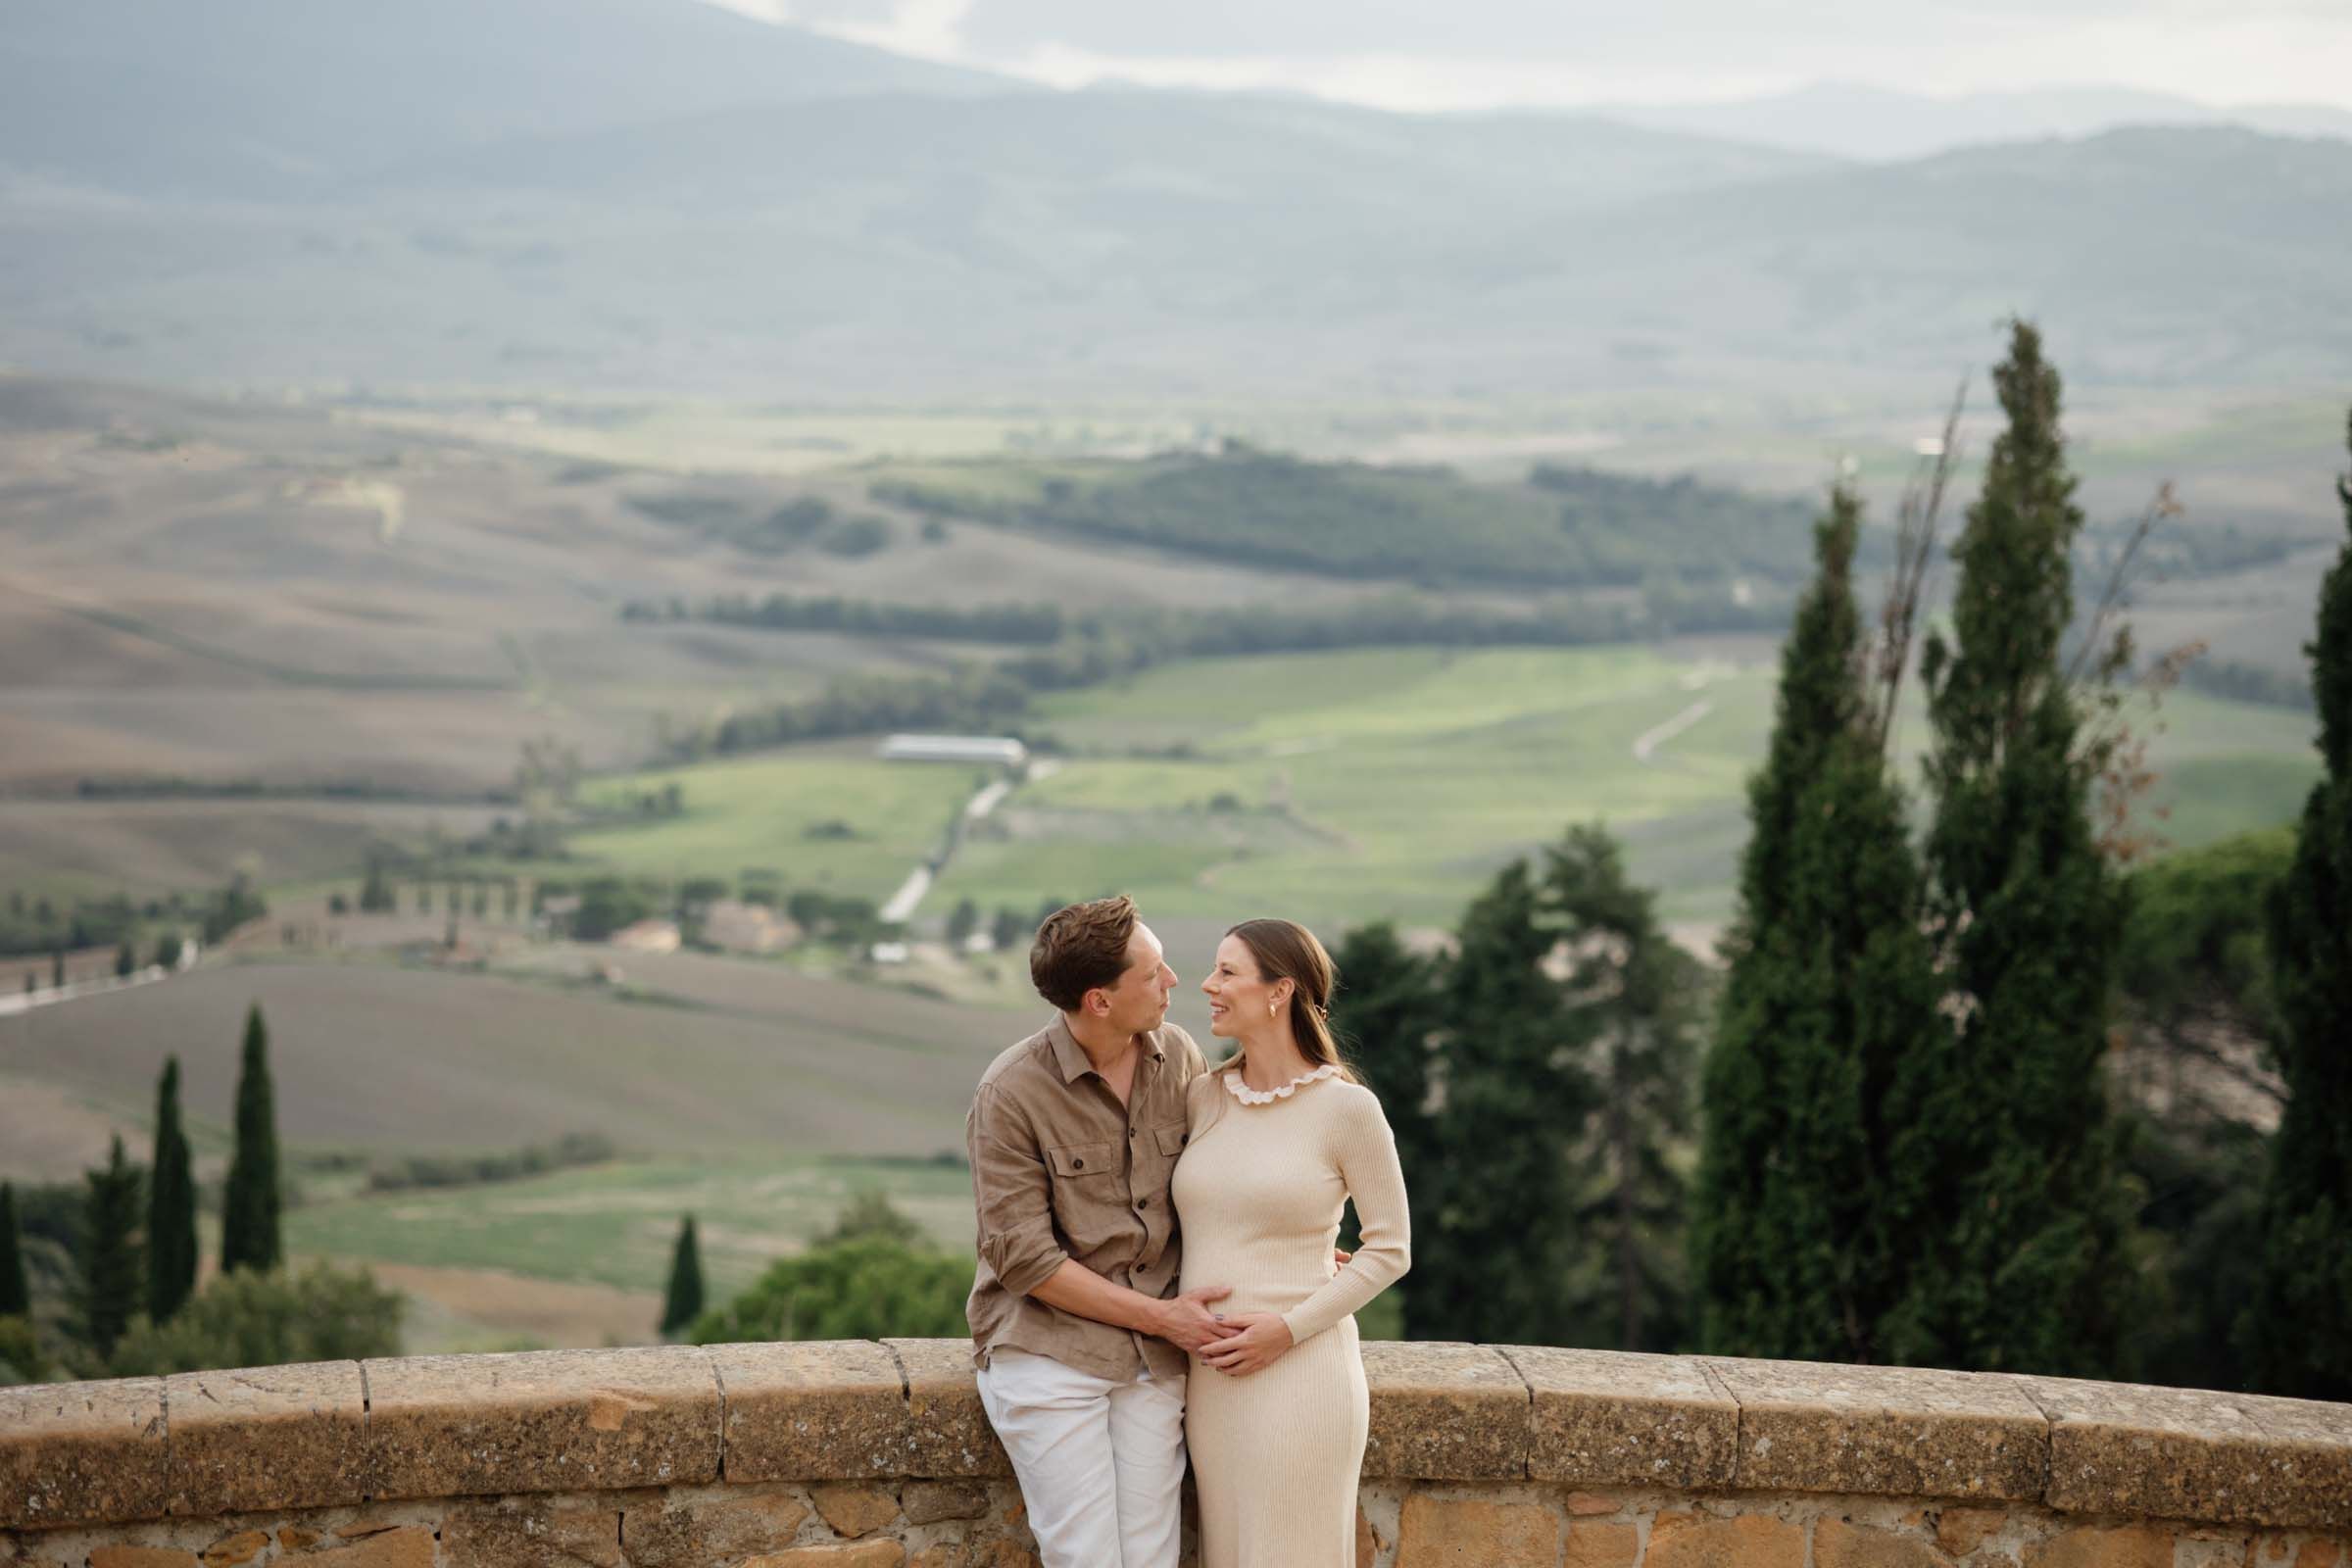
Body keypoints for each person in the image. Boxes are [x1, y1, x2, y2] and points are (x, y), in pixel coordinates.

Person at [963, 895, 1231, 1568]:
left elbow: (1220, 1184)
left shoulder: (1179, 1056)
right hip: (1049, 1353)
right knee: (1085, 1557)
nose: (1175, 982)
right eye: (1154, 972)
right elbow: (1024, 1259)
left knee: (1150, 1558)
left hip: (1154, 1357)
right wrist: (1163, 1319)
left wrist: (1298, 1250)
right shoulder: (1010, 1094)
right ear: (1100, 1001)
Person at [1176, 918, 1412, 1568]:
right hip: (1213, 1382)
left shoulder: (1346, 1110)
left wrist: (1286, 1328)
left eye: (1227, 972)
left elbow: (1391, 1248)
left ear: (1279, 990)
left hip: (1301, 1374)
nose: (1208, 985)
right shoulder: (1202, 1097)